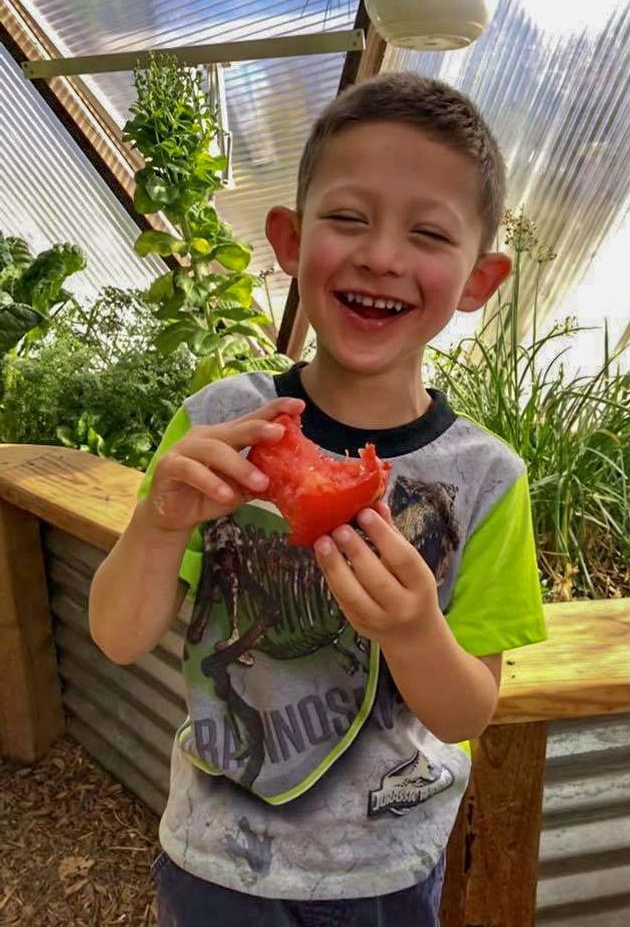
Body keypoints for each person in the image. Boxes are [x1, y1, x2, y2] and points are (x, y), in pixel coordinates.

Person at [89, 72, 547, 927]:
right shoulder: (222, 421)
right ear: (290, 240)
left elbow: (465, 712)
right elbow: (117, 636)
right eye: (348, 217)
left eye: (428, 231)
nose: (381, 254)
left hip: (387, 872)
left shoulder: (488, 478)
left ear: (480, 280)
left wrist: (413, 630)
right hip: (215, 856)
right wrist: (159, 526)